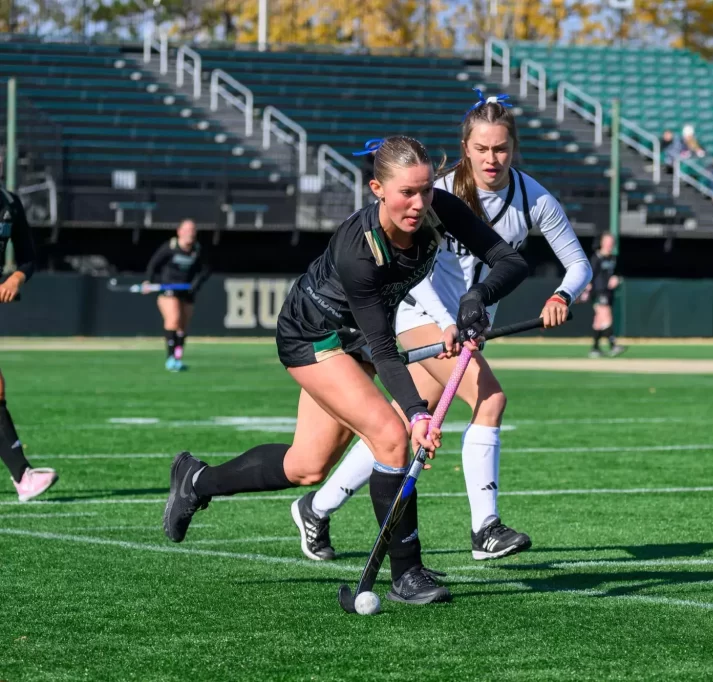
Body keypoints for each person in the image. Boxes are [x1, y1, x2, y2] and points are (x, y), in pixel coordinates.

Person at [162, 135, 528, 606]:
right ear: (377, 188)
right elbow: (383, 347)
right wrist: (417, 414)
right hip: (315, 336)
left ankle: (196, 481)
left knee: (305, 465)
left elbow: (509, 260)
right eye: (406, 194)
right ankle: (407, 573)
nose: (419, 204)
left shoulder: (439, 208)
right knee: (393, 436)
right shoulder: (360, 250)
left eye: (425, 190)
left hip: (359, 337)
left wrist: (477, 298)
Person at [297, 90, 592, 563]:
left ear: (513, 148)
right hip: (422, 314)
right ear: (465, 148)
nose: (491, 159)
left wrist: (562, 294)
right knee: (490, 398)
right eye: (481, 149)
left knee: (398, 423)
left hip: (469, 326)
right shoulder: (439, 193)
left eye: (500, 149)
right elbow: (418, 272)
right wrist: (444, 321)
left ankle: (317, 506)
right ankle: (485, 528)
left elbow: (578, 264)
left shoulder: (534, 198)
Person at [0, 185, 59, 501]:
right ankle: (23, 477)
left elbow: (28, 259)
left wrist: (14, 279)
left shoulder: (10, 202)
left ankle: (23, 476)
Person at [143, 220, 210, 372]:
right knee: (173, 320)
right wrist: (149, 281)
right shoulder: (170, 248)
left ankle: (178, 357)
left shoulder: (197, 250)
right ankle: (170, 357)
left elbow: (205, 270)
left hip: (187, 292)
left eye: (192, 230)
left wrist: (196, 284)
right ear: (179, 232)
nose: (190, 233)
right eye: (186, 230)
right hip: (168, 290)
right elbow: (153, 265)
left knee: (183, 327)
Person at [580, 232, 625, 358]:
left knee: (598, 322)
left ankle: (595, 348)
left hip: (609, 293)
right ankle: (613, 344)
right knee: (606, 316)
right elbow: (589, 276)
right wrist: (586, 291)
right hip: (598, 291)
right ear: (602, 243)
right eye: (607, 241)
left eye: (611, 242)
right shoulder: (596, 258)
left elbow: (618, 274)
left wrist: (617, 279)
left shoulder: (613, 259)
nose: (609, 244)